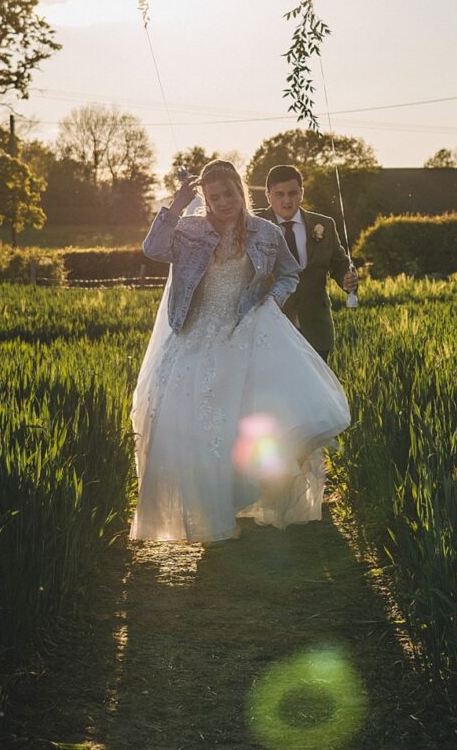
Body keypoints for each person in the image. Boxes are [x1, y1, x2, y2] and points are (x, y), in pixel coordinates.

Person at [130, 159, 350, 544]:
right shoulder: (189, 229)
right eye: (214, 197)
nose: (223, 202)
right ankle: (208, 513)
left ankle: (237, 499)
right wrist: (177, 204)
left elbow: (288, 273)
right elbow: (153, 248)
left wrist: (274, 302)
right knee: (195, 423)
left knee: (239, 421)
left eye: (229, 193)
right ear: (206, 199)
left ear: (241, 191)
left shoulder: (264, 233)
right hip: (195, 334)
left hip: (243, 329)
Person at [257, 164, 357, 362]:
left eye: (293, 193)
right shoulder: (255, 225)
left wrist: (348, 277)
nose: (287, 201)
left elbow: (339, 262)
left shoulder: (324, 224)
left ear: (302, 193)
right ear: (268, 195)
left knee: (317, 390)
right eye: (279, 194)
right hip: (271, 326)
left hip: (315, 326)